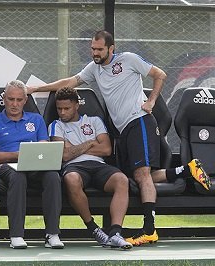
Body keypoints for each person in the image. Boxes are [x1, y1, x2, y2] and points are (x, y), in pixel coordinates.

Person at [27, 30, 211, 246]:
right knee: (136, 177)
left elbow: (160, 74)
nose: (94, 53)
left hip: (139, 120)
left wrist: (151, 101)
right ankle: (185, 170)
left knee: (142, 176)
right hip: (122, 130)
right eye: (92, 49)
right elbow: (70, 81)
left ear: (111, 48)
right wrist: (37, 88)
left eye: (99, 49)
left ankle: (150, 229)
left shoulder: (129, 59)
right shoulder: (93, 69)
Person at [48, 87, 132, 250]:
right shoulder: (55, 125)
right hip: (74, 167)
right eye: (59, 109)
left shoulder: (94, 121)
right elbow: (64, 155)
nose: (62, 113)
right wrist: (91, 142)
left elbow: (106, 149)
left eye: (67, 108)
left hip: (99, 165)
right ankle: (94, 229)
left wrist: (75, 148)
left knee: (121, 180)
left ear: (77, 105)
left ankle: (115, 233)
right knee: (71, 179)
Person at [0, 80, 64, 249]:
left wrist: (33, 154)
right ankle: (16, 235)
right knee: (18, 176)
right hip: (6, 166)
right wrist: (17, 155)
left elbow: (44, 145)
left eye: (19, 100)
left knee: (52, 176)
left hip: (34, 165)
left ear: (25, 100)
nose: (14, 104)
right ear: (4, 98)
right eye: (11, 99)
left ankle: (52, 234)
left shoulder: (36, 119)